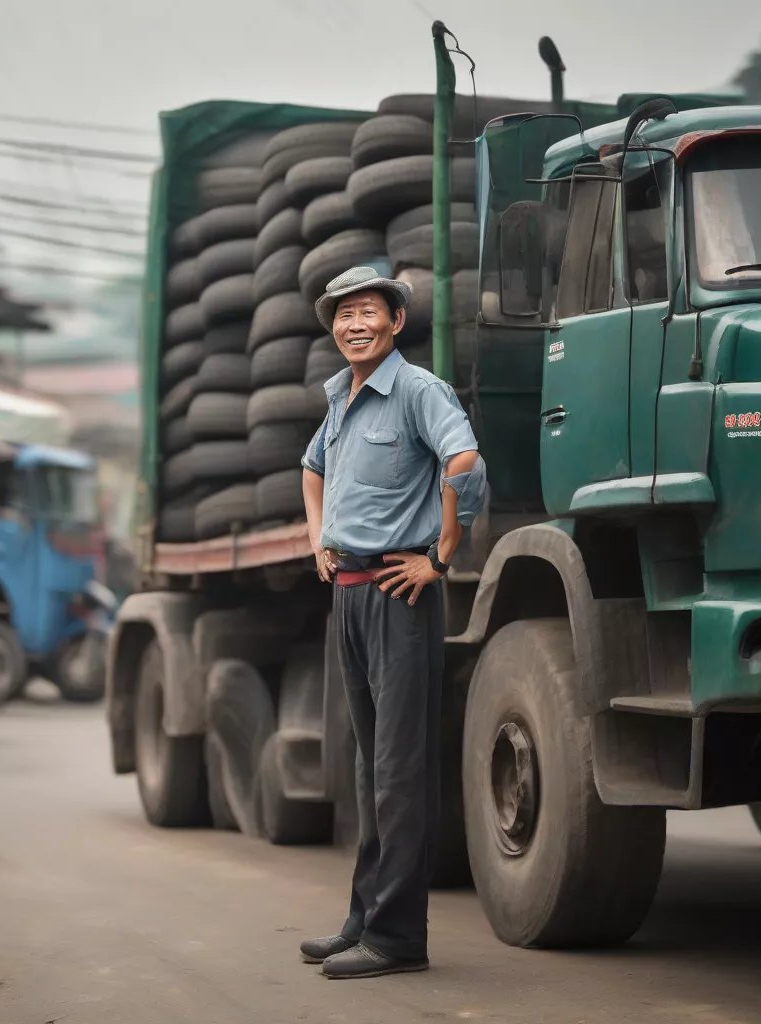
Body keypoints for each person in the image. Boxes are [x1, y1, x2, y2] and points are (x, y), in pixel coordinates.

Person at [299, 266, 486, 980]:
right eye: (343, 314)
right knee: (369, 767)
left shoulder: (417, 390)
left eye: (368, 311)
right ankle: (364, 920)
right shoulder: (341, 398)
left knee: (400, 771)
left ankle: (399, 937)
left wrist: (440, 558)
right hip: (346, 591)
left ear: (395, 321)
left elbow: (464, 462)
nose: (354, 324)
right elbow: (311, 468)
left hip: (398, 593)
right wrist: (318, 537)